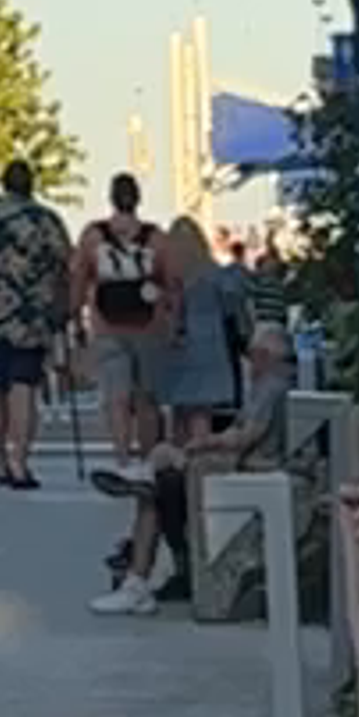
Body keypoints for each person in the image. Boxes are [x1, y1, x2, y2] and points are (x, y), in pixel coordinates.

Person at [104, 220, 254, 601]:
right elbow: (238, 309)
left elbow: (161, 314)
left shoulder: (175, 277)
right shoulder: (216, 277)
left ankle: (181, 459)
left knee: (182, 418)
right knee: (202, 416)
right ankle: (196, 464)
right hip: (214, 355)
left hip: (182, 356)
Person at [0, 151, 74, 486]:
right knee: (23, 387)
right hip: (31, 315)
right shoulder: (48, 220)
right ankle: (20, 460)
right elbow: (66, 264)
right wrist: (63, 306)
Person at [69, 168, 163, 486]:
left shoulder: (93, 235)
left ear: (111, 198)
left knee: (117, 397)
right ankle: (150, 459)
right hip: (147, 325)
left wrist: (74, 316)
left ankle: (122, 458)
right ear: (138, 199)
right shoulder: (154, 236)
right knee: (147, 397)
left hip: (106, 324)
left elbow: (80, 277)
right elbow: (169, 281)